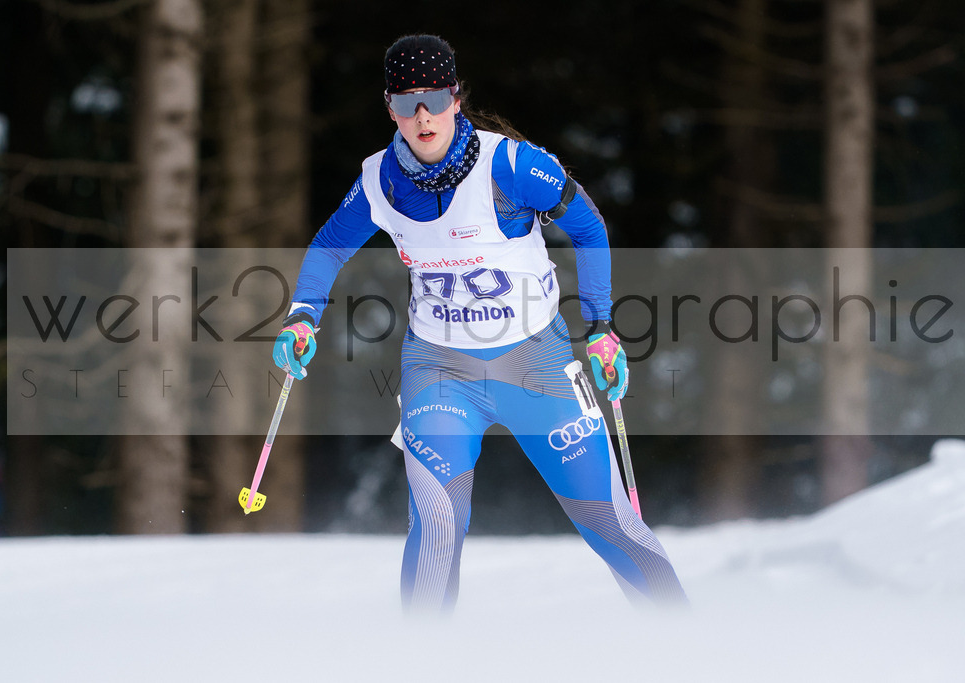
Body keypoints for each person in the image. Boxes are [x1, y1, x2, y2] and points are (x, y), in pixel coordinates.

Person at [273, 34, 687, 612]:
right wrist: (302, 317)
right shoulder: (378, 180)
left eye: (436, 98)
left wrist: (600, 327)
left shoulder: (512, 166)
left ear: (457, 99)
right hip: (440, 372)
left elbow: (589, 228)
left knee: (608, 518)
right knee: (438, 525)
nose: (423, 116)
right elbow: (326, 247)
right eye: (407, 101)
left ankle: (691, 648)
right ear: (388, 106)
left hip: (537, 366)